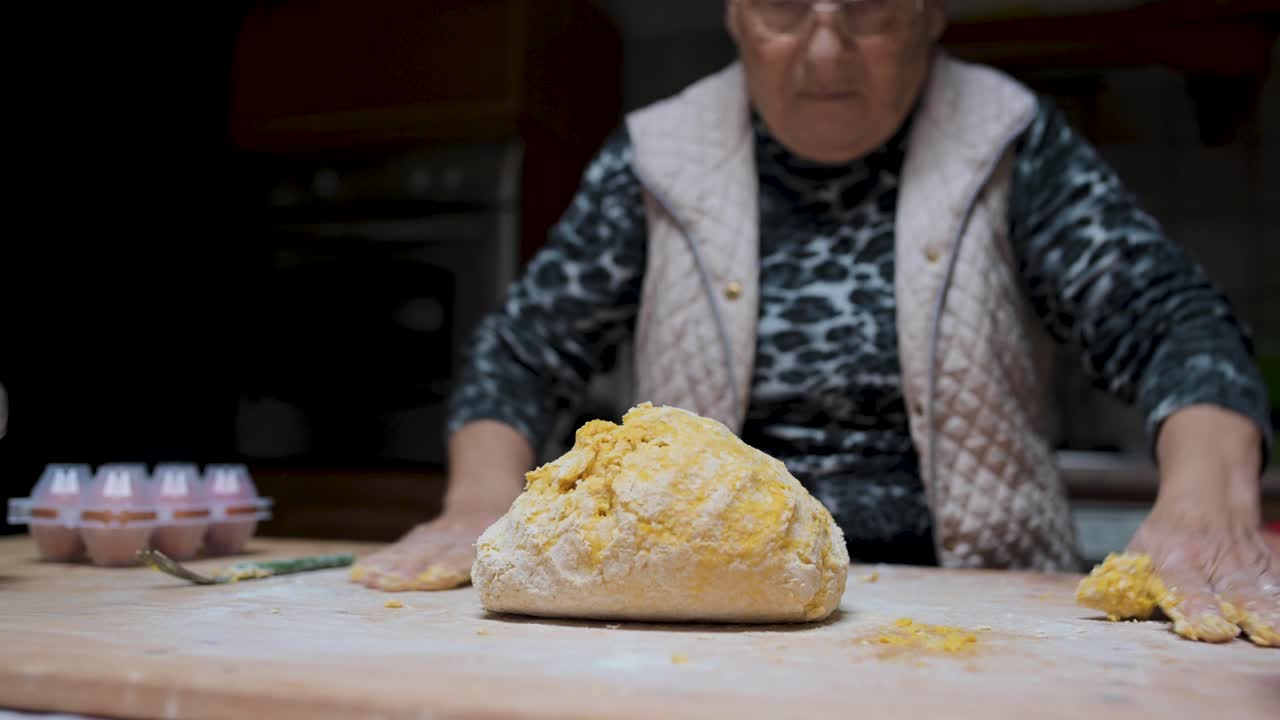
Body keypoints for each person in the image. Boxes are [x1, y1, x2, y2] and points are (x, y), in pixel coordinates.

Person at [352, 0, 1278, 641]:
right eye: (785, 10)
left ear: (931, 14)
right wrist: (477, 503)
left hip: (985, 606)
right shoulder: (655, 157)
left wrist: (1207, 507)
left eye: (869, 11)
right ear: (734, 15)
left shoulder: (1010, 136)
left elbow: (1173, 322)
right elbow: (520, 354)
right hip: (701, 614)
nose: (826, 52)